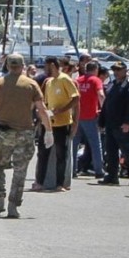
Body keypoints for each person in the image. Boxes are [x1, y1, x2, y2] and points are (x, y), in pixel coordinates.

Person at [0, 53, 53, 218]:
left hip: (3, 133)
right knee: (20, 170)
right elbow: (41, 109)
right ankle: (13, 205)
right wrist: (48, 130)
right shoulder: (31, 84)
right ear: (23, 66)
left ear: (7, 66)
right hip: (25, 133)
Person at [34, 56, 79, 192]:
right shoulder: (49, 82)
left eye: (46, 66)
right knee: (43, 153)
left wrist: (62, 110)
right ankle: (40, 182)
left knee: (61, 154)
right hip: (48, 123)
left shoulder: (64, 79)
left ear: (53, 65)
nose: (45, 69)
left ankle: (60, 183)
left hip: (62, 123)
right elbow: (46, 102)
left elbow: (75, 98)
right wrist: (41, 113)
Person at [98, 61, 129, 186]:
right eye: (114, 70)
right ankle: (112, 175)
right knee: (111, 150)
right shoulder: (113, 84)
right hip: (110, 123)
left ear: (125, 70)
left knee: (126, 150)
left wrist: (128, 122)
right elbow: (106, 104)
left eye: (119, 70)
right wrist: (101, 120)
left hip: (122, 123)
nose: (116, 72)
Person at [74, 61, 106, 180]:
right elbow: (101, 95)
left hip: (77, 116)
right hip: (90, 116)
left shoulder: (78, 80)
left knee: (74, 143)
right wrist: (105, 109)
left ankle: (72, 170)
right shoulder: (95, 80)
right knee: (95, 144)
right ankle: (99, 170)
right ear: (96, 69)